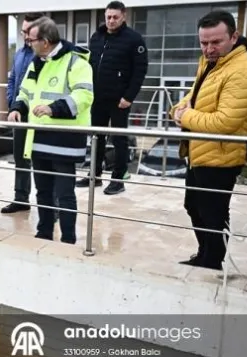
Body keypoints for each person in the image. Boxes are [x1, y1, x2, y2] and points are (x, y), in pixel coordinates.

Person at [170, 10, 247, 271]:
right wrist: (177, 109)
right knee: (194, 206)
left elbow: (225, 123)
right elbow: (193, 98)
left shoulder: (243, 70)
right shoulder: (212, 62)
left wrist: (185, 116)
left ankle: (213, 263)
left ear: (234, 37)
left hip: (223, 154)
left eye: (216, 42)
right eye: (203, 42)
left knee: (214, 213)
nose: (209, 48)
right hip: (200, 151)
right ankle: (205, 255)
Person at [8, 16, 94, 244]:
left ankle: (68, 239)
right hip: (38, 139)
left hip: (65, 141)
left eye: (32, 39)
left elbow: (84, 96)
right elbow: (25, 91)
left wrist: (53, 108)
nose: (28, 43)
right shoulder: (37, 62)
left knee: (65, 195)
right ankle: (44, 233)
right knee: (43, 192)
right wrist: (17, 107)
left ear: (45, 41)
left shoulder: (76, 62)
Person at [78, 1, 148, 195]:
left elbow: (140, 70)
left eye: (115, 17)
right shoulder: (97, 37)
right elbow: (89, 65)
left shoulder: (134, 39)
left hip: (120, 100)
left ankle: (118, 179)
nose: (111, 20)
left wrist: (129, 97)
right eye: (108, 17)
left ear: (123, 16)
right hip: (98, 98)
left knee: (119, 140)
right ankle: (95, 175)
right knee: (96, 138)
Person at [1, 13, 43, 214]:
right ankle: (21, 198)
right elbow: (12, 80)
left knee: (44, 161)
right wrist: (12, 103)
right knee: (20, 157)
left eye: (28, 31)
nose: (25, 35)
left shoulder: (46, 56)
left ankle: (51, 204)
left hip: (42, 118)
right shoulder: (19, 54)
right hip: (20, 115)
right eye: (23, 31)